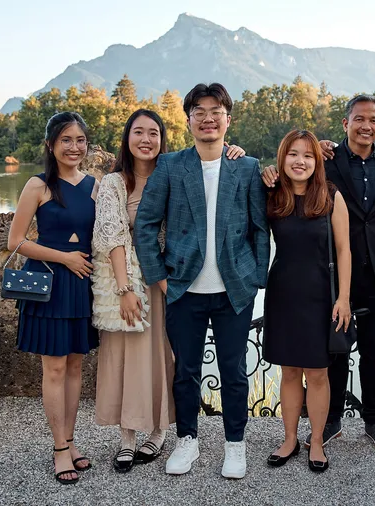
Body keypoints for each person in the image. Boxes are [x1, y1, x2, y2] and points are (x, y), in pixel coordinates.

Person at [92, 109, 247, 474]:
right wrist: (125, 287)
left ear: (163, 139)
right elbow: (114, 235)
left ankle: (161, 432)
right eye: (138, 132)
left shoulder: (175, 170)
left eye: (153, 133)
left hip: (168, 284)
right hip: (128, 284)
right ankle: (127, 438)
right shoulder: (113, 183)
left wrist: (230, 149)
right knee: (124, 358)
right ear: (127, 137)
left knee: (165, 360)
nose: (146, 140)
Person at [134, 83, 270, 480]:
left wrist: (256, 277)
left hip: (233, 291)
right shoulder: (172, 165)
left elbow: (260, 228)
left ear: (228, 119)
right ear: (189, 119)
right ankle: (187, 440)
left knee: (234, 371)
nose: (208, 118)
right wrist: (158, 276)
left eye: (216, 111)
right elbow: (145, 224)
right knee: (186, 371)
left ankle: (235, 444)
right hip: (182, 288)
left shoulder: (246, 166)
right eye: (199, 111)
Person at [261, 95, 375, 453]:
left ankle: (374, 420)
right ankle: (331, 422)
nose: (366, 126)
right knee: (331, 353)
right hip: (329, 276)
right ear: (346, 124)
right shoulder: (327, 158)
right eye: (359, 119)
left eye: (373, 120)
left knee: (374, 350)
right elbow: (297, 163)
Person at [7, 111, 99, 485]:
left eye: (79, 140)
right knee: (55, 368)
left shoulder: (96, 185)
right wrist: (64, 257)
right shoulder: (38, 185)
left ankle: (71, 442)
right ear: (51, 145)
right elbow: (15, 242)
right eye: (66, 140)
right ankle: (59, 449)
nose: (74, 147)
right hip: (50, 285)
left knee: (76, 366)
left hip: (83, 286)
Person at [262, 129, 351, 473]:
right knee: (288, 372)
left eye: (308, 155)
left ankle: (316, 441)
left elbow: (344, 250)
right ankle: (289, 439)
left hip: (321, 297)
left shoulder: (330, 196)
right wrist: (264, 173)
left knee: (317, 373)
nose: (300, 161)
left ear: (317, 161)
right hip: (283, 293)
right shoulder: (272, 195)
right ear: (282, 158)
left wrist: (343, 297)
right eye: (293, 154)